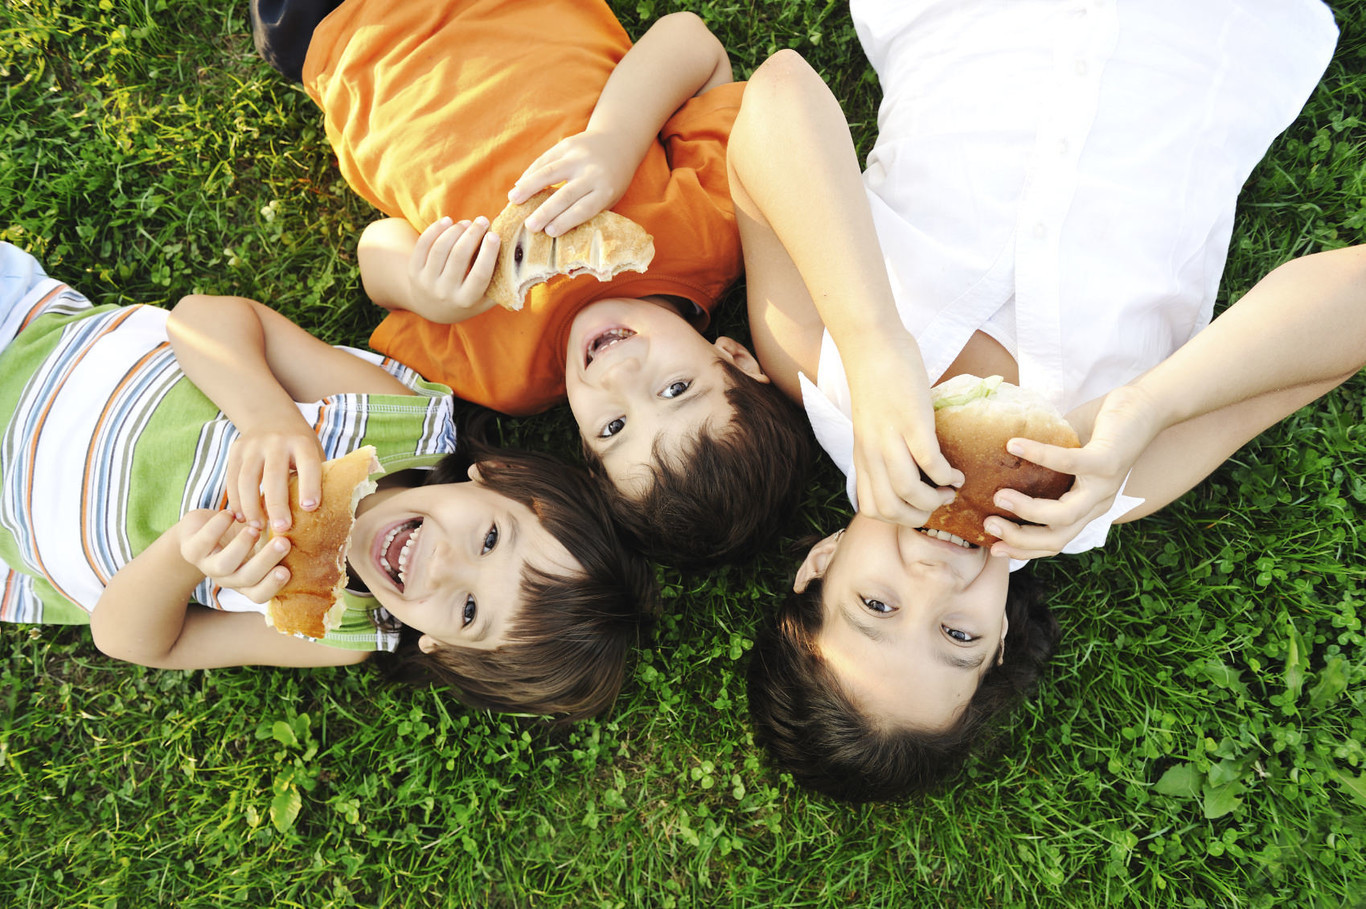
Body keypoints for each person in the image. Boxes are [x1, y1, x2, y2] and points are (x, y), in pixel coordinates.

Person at [728, 0, 1353, 800]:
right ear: (998, 642)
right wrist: (1149, 407)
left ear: (820, 565)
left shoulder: (812, 362)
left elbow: (778, 92)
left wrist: (872, 338)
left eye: (876, 603)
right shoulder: (1109, 485)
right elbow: (1348, 314)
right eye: (956, 635)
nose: (932, 579)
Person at [249, 0, 814, 567]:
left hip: (346, 44)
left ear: (586, 450)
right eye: (675, 390)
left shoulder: (507, 379)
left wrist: (427, 294)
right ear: (735, 358)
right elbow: (692, 44)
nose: (618, 376)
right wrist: (615, 139)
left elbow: (376, 247)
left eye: (614, 426)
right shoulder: (710, 236)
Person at [0, 242, 655, 721]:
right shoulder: (395, 421)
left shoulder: (332, 631)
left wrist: (182, 556)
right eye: (489, 539)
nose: (445, 563)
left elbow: (130, 639)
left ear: (442, 649)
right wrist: (265, 415)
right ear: (495, 479)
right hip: (25, 345)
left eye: (468, 611)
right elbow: (199, 318)